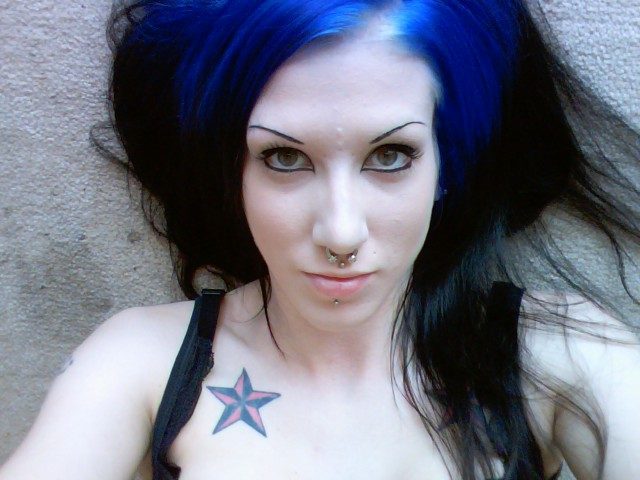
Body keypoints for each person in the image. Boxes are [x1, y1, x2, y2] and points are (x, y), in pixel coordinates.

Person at [1, 0, 640, 479]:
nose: (340, 232)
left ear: (450, 161)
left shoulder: (559, 356)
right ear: (232, 169)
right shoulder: (142, 364)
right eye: (284, 158)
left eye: (390, 156)